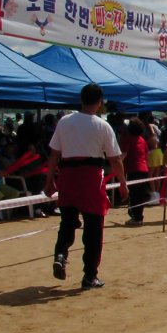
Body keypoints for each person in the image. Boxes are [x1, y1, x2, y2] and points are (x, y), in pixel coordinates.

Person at [43, 83, 128, 290]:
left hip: (68, 176)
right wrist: (123, 184)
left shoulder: (64, 122)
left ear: (81, 99)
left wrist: (49, 181)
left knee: (67, 221)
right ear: (99, 103)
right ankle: (89, 276)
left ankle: (61, 254)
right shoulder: (102, 126)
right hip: (90, 177)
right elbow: (115, 159)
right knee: (93, 228)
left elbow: (54, 153)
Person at [121, 117, 150, 226]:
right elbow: (147, 154)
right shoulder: (142, 140)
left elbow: (123, 155)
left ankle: (136, 217)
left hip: (133, 170)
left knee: (133, 195)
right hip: (144, 169)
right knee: (140, 195)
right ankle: (138, 217)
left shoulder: (128, 139)